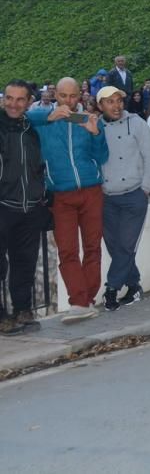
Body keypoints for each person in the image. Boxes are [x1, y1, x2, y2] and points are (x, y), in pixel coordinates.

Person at [26, 78, 107, 324]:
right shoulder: (44, 121)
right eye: (63, 96)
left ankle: (86, 300)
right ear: (54, 95)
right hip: (61, 194)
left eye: (73, 96)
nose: (69, 101)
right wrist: (48, 115)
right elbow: (20, 117)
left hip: (91, 190)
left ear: (79, 97)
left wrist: (95, 135)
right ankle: (79, 301)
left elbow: (102, 156)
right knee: (68, 250)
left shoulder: (87, 119)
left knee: (92, 247)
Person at [97, 86, 150, 311]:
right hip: (107, 197)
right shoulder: (96, 127)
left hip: (134, 195)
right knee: (115, 246)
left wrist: (145, 188)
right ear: (100, 105)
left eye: (119, 100)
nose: (116, 105)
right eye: (110, 102)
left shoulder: (138, 123)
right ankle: (134, 286)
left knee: (125, 245)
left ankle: (111, 288)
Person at [0, 80, 48, 335]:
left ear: (29, 102)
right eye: (9, 98)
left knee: (25, 263)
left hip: (30, 207)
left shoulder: (31, 127)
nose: (13, 104)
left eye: (20, 99)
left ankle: (22, 309)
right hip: (2, 206)